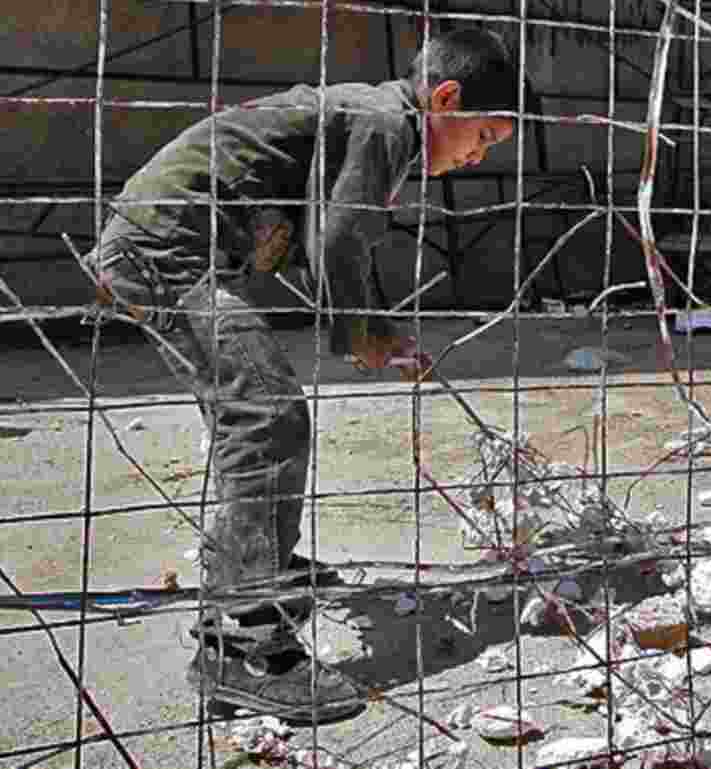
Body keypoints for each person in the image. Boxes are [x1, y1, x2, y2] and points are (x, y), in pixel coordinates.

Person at [86, 27, 520, 724]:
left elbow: (331, 234)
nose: (477, 156)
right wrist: (366, 336)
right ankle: (245, 644)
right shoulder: (385, 125)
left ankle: (251, 566)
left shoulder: (377, 120)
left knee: (252, 415)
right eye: (485, 138)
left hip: (169, 248)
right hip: (162, 252)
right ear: (445, 98)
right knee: (266, 414)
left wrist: (375, 331)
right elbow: (339, 239)